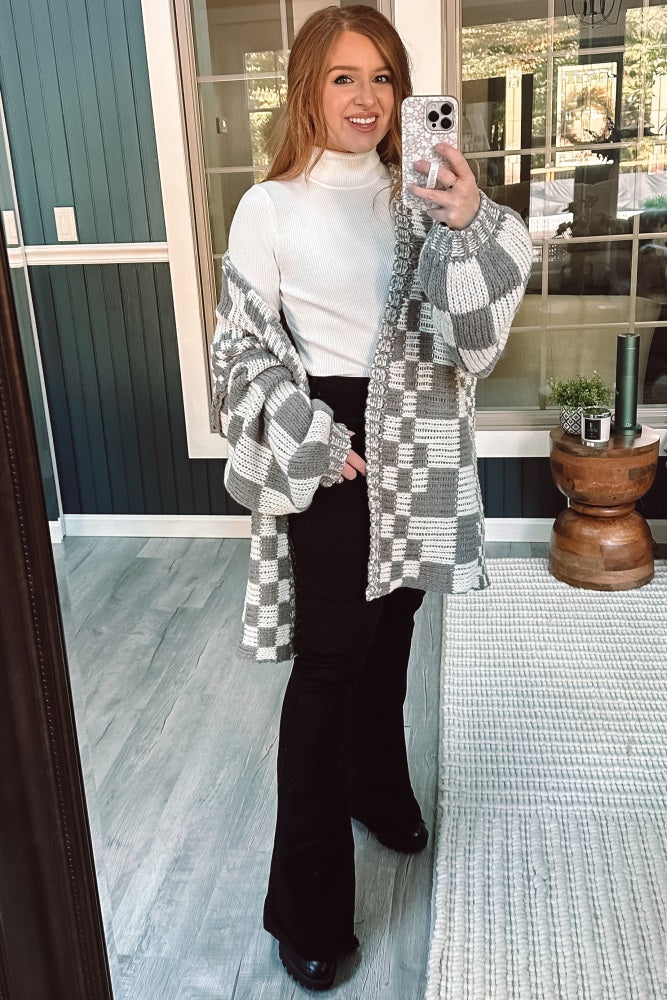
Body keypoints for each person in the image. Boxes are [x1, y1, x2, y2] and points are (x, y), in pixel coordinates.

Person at [210, 5, 532, 991]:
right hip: (333, 439)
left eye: (382, 77)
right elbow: (238, 348)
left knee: (394, 628)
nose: (365, 98)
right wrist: (309, 431)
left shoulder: (422, 194)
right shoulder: (268, 207)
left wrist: (470, 222)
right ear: (306, 88)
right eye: (343, 77)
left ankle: (375, 785)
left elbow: (475, 342)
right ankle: (303, 905)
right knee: (330, 662)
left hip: (420, 427)